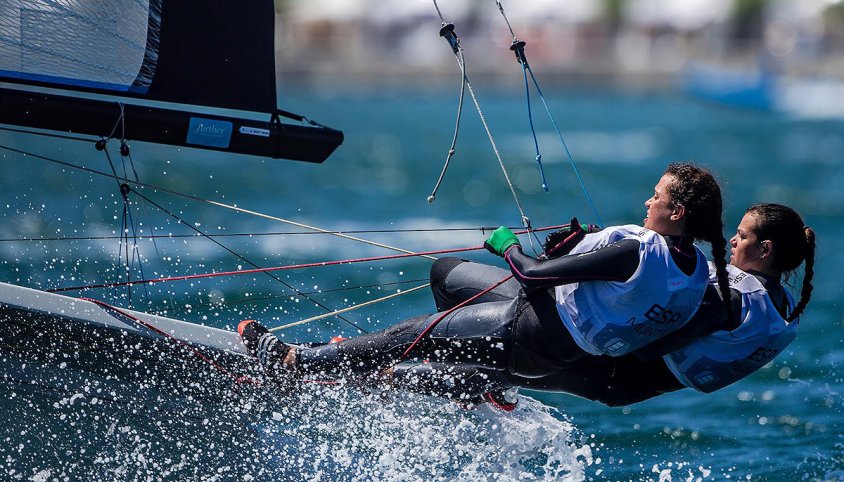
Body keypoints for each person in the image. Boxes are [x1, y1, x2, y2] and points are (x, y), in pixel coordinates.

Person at [237, 162, 730, 396]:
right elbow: (630, 316)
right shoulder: (695, 279)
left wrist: (505, 244)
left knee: (413, 334)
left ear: (677, 211)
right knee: (446, 276)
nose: (648, 203)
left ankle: (295, 364)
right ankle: (466, 382)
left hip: (530, 333)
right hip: (560, 346)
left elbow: (531, 274)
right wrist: (580, 253)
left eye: (656, 197)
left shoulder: (637, 250)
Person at [395, 203, 815, 408]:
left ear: (765, 249)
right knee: (453, 285)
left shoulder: (730, 297)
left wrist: (604, 273)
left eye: (741, 237)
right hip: (620, 379)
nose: (732, 242)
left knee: (470, 361)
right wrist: (591, 255)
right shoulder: (781, 308)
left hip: (607, 369)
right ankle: (476, 388)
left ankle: (376, 373)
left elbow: (652, 343)